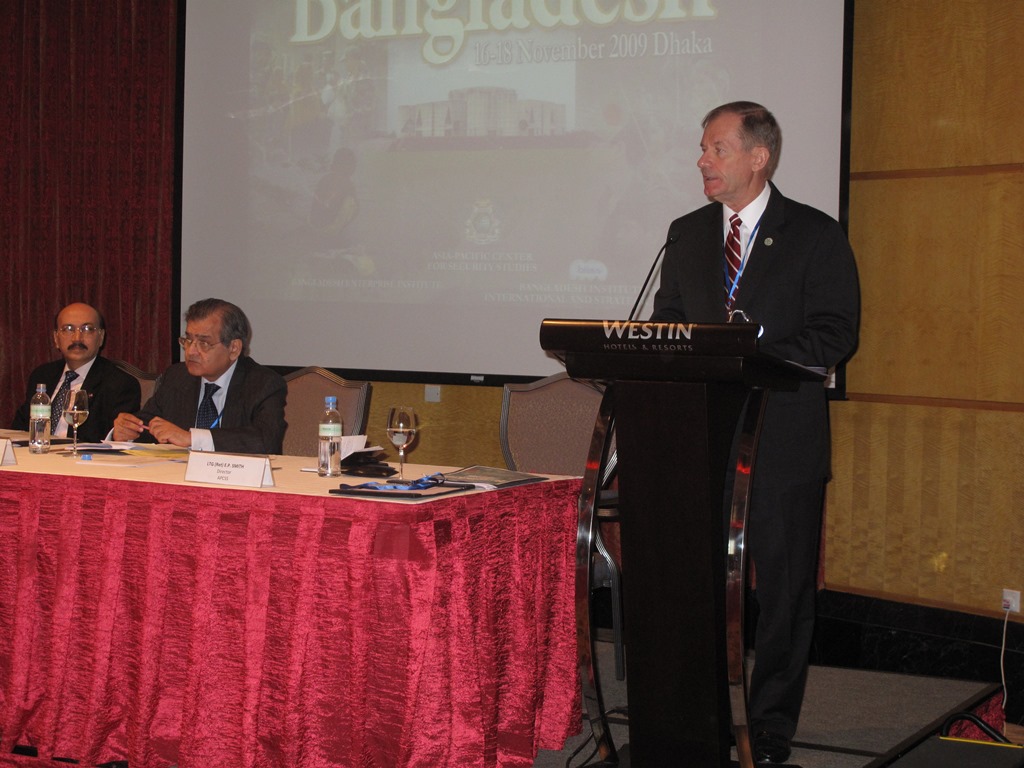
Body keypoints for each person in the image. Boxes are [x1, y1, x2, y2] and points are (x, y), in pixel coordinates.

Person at [651, 102, 860, 763]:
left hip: (784, 442)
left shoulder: (814, 234)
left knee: (785, 592)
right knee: (706, 587)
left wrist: (753, 351)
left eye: (716, 148)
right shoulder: (686, 234)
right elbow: (667, 323)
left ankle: (769, 726)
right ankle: (708, 712)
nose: (702, 160)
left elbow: (836, 333)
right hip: (703, 440)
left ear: (758, 157)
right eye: (703, 148)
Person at [112, 298, 287, 454]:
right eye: (188, 340)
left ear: (234, 348)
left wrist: (192, 439)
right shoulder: (176, 377)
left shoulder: (262, 383)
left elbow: (266, 441)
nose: (191, 351)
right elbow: (147, 426)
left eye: (204, 343)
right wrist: (127, 432)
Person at [11, 302, 141, 443]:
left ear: (101, 337)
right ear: (56, 338)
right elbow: (20, 428)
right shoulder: (42, 375)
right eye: (68, 329)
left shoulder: (120, 384)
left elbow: (116, 437)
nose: (77, 338)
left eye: (87, 329)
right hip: (37, 453)